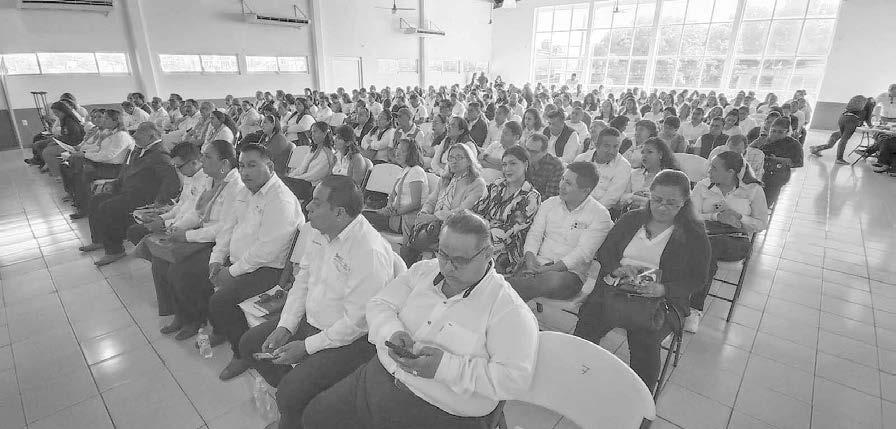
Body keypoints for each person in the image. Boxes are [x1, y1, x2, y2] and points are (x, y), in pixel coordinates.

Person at [302, 211, 538, 429]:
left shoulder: (509, 311)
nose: (448, 267)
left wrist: (443, 368)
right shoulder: (424, 271)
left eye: (460, 260)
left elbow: (513, 380)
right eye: (443, 254)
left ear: (488, 254)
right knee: (314, 417)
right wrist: (392, 332)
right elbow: (379, 304)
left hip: (441, 412)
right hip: (379, 378)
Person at [239, 176, 406, 429]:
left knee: (289, 393)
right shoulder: (320, 231)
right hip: (313, 320)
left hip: (350, 339)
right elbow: (303, 279)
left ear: (339, 213)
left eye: (316, 203)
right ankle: (301, 397)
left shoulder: (368, 251)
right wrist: (286, 325)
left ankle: (297, 408)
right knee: (249, 344)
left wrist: (306, 347)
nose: (307, 207)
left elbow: (356, 324)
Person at [574, 170, 711, 390]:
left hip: (663, 301)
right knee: (589, 320)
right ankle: (579, 374)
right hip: (617, 289)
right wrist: (617, 269)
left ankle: (640, 397)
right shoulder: (632, 219)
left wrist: (663, 289)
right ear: (649, 195)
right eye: (656, 200)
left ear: (685, 202)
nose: (662, 207)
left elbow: (697, 279)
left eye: (672, 203)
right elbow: (606, 252)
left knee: (645, 337)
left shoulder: (694, 234)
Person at [208, 143, 305, 381]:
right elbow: (227, 228)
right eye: (241, 166)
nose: (244, 172)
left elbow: (267, 250)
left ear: (269, 166)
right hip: (242, 262)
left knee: (221, 301)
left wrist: (232, 272)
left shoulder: (280, 199)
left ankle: (241, 354)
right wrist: (216, 259)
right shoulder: (244, 192)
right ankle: (224, 328)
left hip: (270, 269)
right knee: (204, 274)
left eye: (252, 165)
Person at [686, 151, 768, 333]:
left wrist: (738, 217)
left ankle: (693, 308)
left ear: (730, 172)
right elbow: (691, 216)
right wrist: (716, 216)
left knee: (707, 249)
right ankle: (682, 300)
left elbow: (761, 224)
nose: (709, 170)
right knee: (703, 247)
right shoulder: (703, 186)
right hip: (706, 234)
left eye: (714, 168)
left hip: (736, 239)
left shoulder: (752, 190)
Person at [507, 161, 612, 301]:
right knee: (523, 273)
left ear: (585, 191)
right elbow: (535, 234)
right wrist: (530, 257)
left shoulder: (600, 215)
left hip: (569, 274)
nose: (561, 185)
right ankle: (506, 289)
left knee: (551, 280)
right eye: (562, 179)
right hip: (537, 264)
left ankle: (503, 287)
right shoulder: (549, 203)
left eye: (568, 183)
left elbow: (583, 253)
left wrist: (549, 269)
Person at [78, 122, 180, 266]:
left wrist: (160, 201)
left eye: (139, 133)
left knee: (108, 207)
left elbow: (172, 182)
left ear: (151, 136)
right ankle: (99, 239)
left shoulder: (160, 155)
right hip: (127, 191)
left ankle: (115, 250)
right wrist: (114, 184)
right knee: (96, 200)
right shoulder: (138, 150)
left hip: (143, 197)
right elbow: (126, 171)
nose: (135, 136)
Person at [406, 144, 487, 264]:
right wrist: (424, 213)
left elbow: (462, 212)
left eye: (459, 157)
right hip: (434, 225)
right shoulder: (445, 179)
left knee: (422, 242)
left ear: (469, 161)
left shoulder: (476, 183)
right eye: (451, 157)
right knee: (415, 237)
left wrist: (434, 217)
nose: (454, 161)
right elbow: (431, 201)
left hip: (457, 227)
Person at [473, 146, 541, 275]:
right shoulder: (496, 185)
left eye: (513, 163)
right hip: (482, 238)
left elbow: (508, 231)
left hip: (508, 250)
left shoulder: (531, 196)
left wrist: (479, 229)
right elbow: (477, 210)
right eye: (504, 164)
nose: (507, 169)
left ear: (525, 165)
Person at [67, 110, 135, 217]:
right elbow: (100, 149)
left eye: (106, 118)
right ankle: (79, 200)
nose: (103, 120)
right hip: (105, 164)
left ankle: (84, 208)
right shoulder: (110, 133)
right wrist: (84, 153)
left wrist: (85, 155)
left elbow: (108, 155)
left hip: (114, 169)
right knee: (77, 164)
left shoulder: (121, 136)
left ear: (116, 121)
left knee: (83, 174)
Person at [364, 139, 429, 246]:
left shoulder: (416, 172)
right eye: (397, 149)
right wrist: (389, 206)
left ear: (411, 154)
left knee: (362, 217)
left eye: (402, 151)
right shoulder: (404, 170)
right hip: (395, 213)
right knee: (362, 215)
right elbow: (393, 194)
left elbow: (416, 203)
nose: (397, 153)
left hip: (404, 218)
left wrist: (395, 212)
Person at [573, 127, 632, 208]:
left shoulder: (623, 166)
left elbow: (610, 199)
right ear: (597, 145)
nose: (611, 151)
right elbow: (570, 186)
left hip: (600, 211)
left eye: (615, 147)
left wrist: (585, 211)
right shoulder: (581, 159)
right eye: (607, 146)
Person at [810, 94, 876, 164]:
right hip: (852, 120)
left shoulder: (860, 101)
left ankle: (817, 148)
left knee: (840, 134)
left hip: (843, 117)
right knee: (844, 139)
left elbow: (859, 113)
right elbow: (868, 118)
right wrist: (872, 126)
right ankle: (839, 159)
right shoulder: (871, 104)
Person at [752, 117, 803, 205]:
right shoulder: (764, 140)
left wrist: (776, 159)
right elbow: (748, 152)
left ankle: (763, 206)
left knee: (764, 198)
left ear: (787, 132)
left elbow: (797, 162)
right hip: (757, 171)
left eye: (780, 132)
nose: (775, 134)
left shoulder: (793, 144)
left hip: (776, 174)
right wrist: (756, 143)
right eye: (773, 131)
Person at [622, 138, 680, 210]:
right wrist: (633, 195)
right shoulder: (634, 174)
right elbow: (622, 197)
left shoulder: (671, 177)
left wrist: (649, 199)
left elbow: (674, 203)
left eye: (649, 152)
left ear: (660, 154)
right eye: (642, 152)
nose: (644, 156)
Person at [26, 101, 85, 169]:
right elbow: (65, 133)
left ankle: (52, 167)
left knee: (46, 150)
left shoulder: (70, 121)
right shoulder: (63, 119)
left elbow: (74, 138)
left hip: (72, 144)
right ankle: (46, 163)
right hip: (65, 141)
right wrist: (58, 138)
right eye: (54, 113)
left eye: (56, 112)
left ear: (63, 111)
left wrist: (59, 139)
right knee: (41, 142)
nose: (55, 114)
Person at [524, 133, 564, 200]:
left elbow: (550, 197)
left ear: (545, 151)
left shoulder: (555, 165)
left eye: (533, 152)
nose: (528, 154)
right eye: (527, 149)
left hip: (541, 203)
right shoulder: (521, 159)